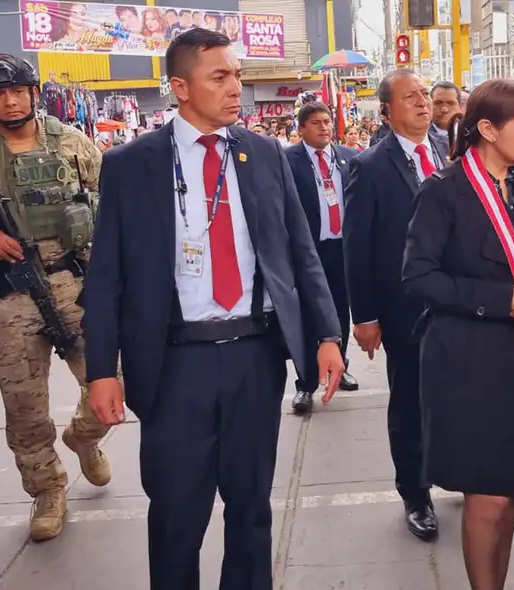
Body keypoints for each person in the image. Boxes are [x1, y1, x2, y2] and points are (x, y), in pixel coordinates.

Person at [83, 29, 344, 588]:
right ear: (179, 87)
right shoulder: (132, 164)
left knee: (251, 510)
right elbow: (105, 278)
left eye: (237, 76)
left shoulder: (263, 153)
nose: (236, 90)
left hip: (255, 354)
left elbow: (301, 253)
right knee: (178, 513)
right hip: (175, 363)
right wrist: (103, 369)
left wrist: (326, 333)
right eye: (219, 77)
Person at [402, 78, 514, 590]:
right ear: (487, 129)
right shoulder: (445, 191)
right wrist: (497, 299)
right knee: (486, 495)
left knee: (509, 492)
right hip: (465, 361)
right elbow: (418, 276)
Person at [0, 54, 109, 542]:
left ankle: (82, 438)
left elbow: (113, 205)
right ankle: (47, 489)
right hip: (7, 293)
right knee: (24, 405)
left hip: (75, 283)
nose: (9, 102)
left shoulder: (73, 143)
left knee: (112, 383)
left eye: (16, 92)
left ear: (34, 93)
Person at [344, 69, 449, 541]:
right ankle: (415, 491)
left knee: (456, 396)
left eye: (425, 95)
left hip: (458, 304)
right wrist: (364, 316)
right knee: (410, 402)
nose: (423, 103)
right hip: (404, 308)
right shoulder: (370, 166)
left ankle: (458, 469)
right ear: (386, 112)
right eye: (411, 97)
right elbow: (356, 247)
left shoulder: (448, 150)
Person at [286, 100, 361, 415]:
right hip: (308, 251)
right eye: (316, 123)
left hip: (341, 248)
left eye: (327, 122)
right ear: (301, 128)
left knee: (340, 313)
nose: (324, 128)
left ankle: (339, 367)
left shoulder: (350, 158)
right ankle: (305, 384)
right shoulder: (288, 160)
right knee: (308, 315)